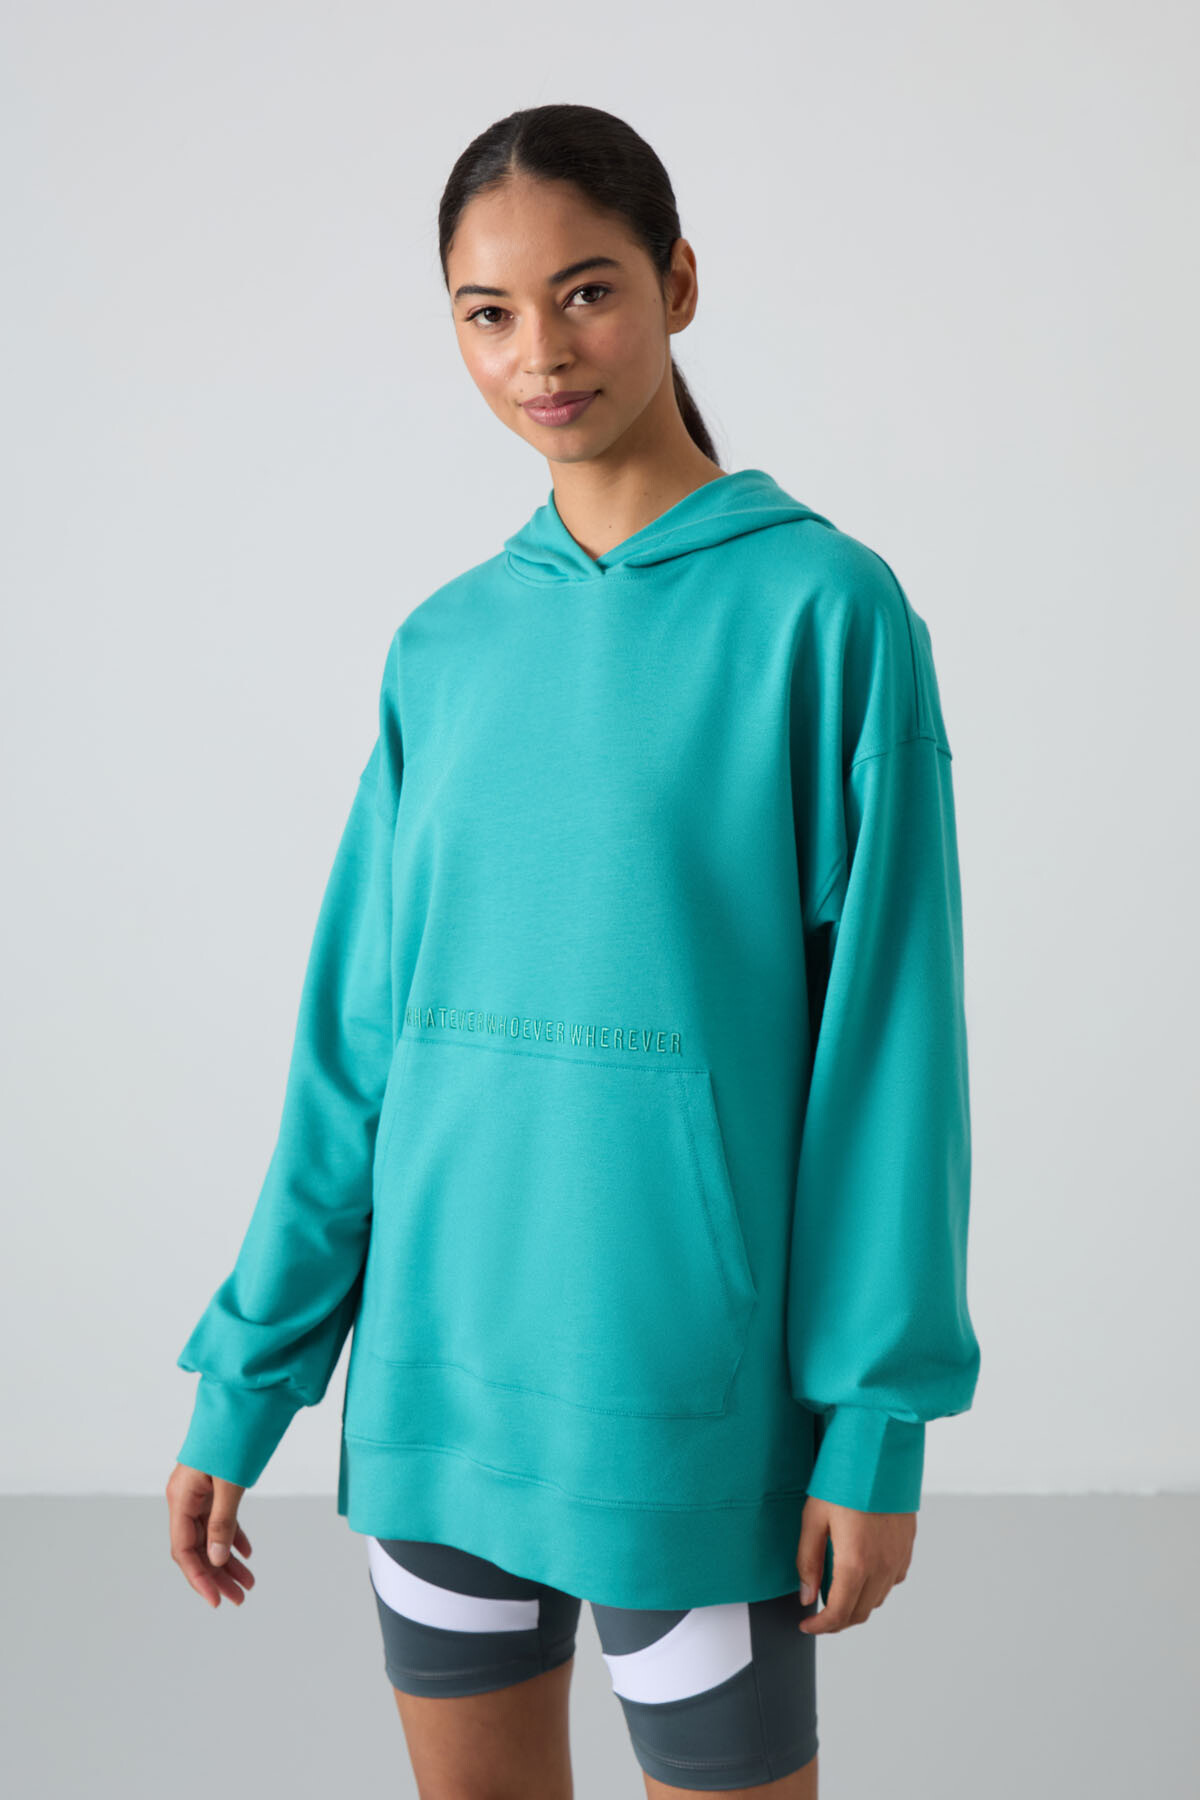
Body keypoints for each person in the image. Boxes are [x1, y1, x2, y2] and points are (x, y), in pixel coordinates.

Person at [165, 102, 981, 1799]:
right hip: (436, 1402)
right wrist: (246, 1378)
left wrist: (877, 1420)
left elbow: (889, 1054)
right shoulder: (443, 647)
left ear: (678, 283)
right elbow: (357, 1049)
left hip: (683, 1410)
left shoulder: (826, 615)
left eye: (587, 291)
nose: (539, 353)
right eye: (488, 312)